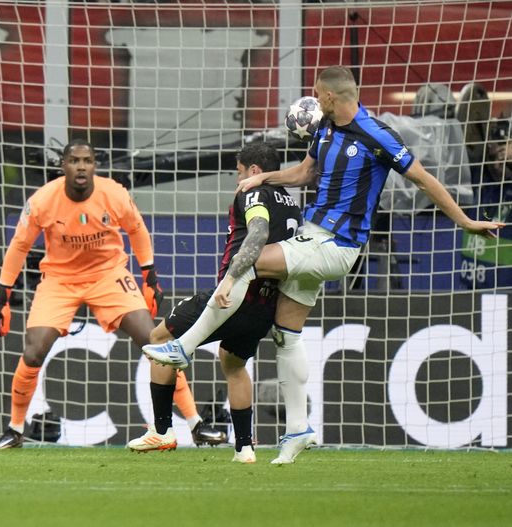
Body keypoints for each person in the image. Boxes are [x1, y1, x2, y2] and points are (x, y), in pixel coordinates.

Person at [144, 65, 505, 464]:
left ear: (332, 96)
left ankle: (184, 347)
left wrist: (467, 221)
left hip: (338, 244)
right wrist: (263, 180)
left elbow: (423, 179)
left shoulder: (377, 135)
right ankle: (298, 429)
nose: (314, 99)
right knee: (286, 334)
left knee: (249, 262)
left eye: (318, 93)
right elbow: (303, 172)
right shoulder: (324, 128)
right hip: (313, 235)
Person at [0, 139, 225, 448]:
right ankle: (15, 429)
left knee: (156, 342)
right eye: (74, 161)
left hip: (108, 275)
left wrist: (149, 278)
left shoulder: (113, 193)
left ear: (95, 165)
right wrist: (0, 296)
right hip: (60, 279)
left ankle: (195, 425)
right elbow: (19, 245)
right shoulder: (43, 200)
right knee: (33, 350)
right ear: (63, 166)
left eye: (87, 160)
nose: (81, 166)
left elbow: (137, 229)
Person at [128, 142, 301, 464]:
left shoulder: (253, 194)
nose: (238, 181)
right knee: (233, 363)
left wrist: (232, 278)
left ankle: (163, 432)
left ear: (253, 171)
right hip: (266, 305)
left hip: (235, 296)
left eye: (239, 173)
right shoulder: (291, 204)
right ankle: (245, 448)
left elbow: (258, 232)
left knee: (160, 338)